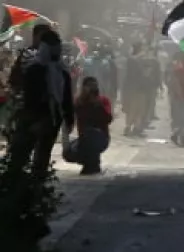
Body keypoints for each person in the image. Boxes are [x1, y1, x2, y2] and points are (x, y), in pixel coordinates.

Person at [3, 30, 72, 188]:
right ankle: (15, 187)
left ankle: (34, 188)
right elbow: (30, 96)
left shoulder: (61, 71)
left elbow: (66, 98)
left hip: (50, 119)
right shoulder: (35, 69)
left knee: (41, 155)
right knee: (21, 154)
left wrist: (68, 119)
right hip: (34, 118)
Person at [69, 76, 113, 175]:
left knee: (90, 133)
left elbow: (109, 119)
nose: (91, 88)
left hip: (101, 138)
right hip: (83, 139)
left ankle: (93, 163)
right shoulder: (78, 102)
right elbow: (70, 118)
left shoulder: (103, 100)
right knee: (69, 151)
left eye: (93, 85)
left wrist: (98, 105)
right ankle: (88, 163)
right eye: (88, 86)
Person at [166, 50, 184, 148]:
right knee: (182, 119)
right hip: (180, 97)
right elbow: (175, 83)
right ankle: (182, 139)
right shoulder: (178, 70)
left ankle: (176, 135)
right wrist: (180, 94)